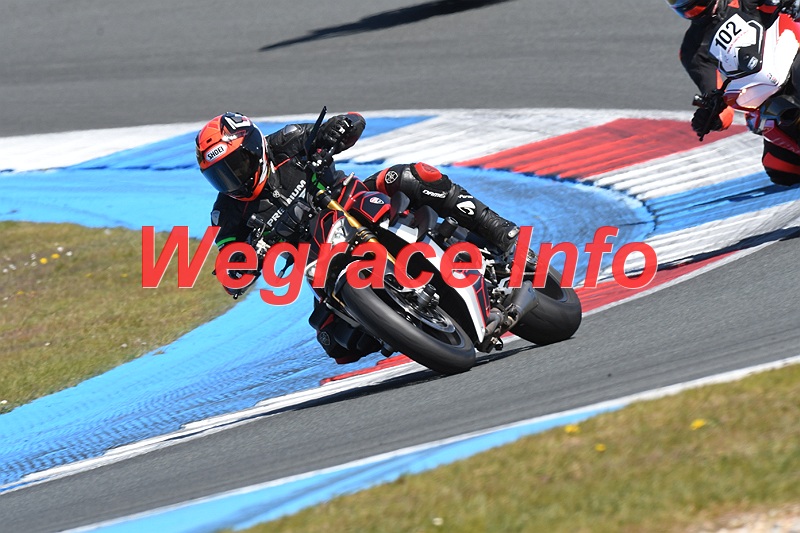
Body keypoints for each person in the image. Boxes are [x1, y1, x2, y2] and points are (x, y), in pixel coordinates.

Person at [195, 111, 520, 363]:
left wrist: (335, 131)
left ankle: (497, 229)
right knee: (335, 343)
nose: (233, 179)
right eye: (220, 176)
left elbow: (352, 121)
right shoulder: (227, 213)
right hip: (319, 259)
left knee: (410, 176)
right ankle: (401, 323)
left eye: (236, 165)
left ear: (254, 147)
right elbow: (230, 271)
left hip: (354, 201)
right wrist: (244, 263)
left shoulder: (287, 140)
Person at [667, 0, 800, 185]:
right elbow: (716, 99)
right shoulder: (692, 50)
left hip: (791, 50)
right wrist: (711, 118)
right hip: (766, 95)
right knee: (780, 169)